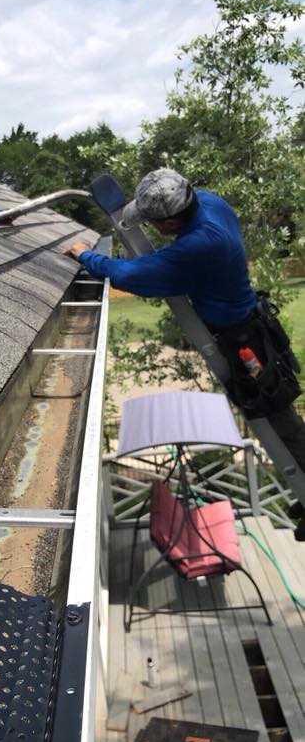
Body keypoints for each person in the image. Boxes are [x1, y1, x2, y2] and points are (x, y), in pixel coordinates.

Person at [66, 167, 305, 541]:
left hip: (244, 342)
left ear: (174, 217)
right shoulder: (209, 201)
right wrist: (129, 213)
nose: (157, 230)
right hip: (249, 325)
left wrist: (86, 257)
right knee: (281, 418)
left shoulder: (199, 245)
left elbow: (133, 275)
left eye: (158, 224)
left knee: (278, 417)